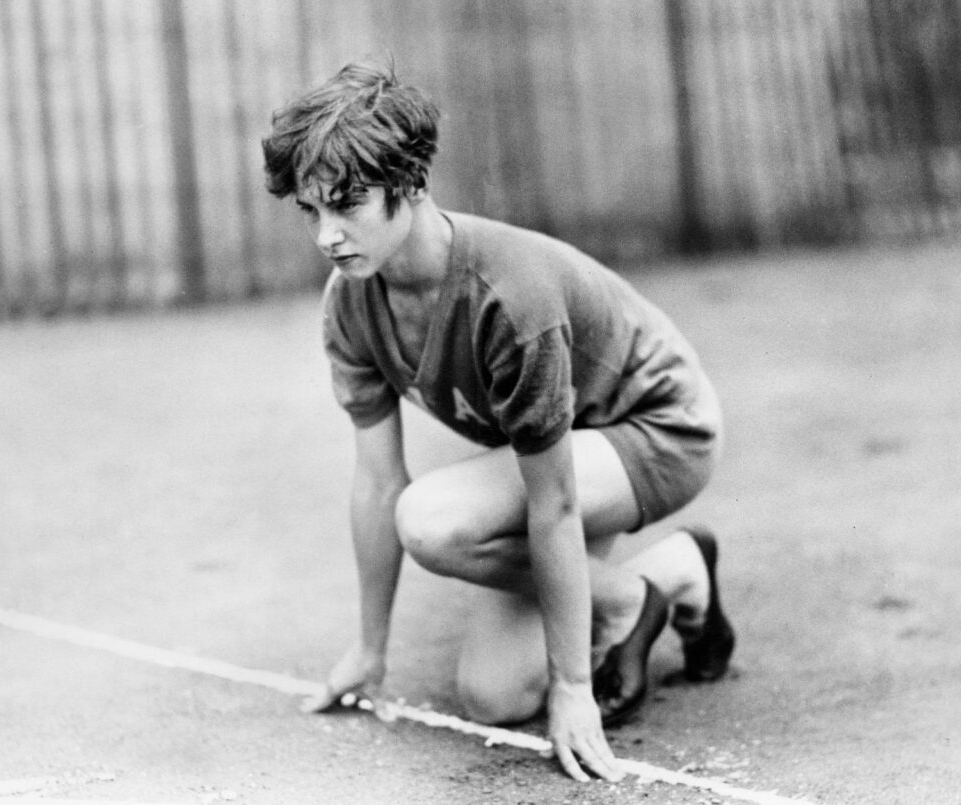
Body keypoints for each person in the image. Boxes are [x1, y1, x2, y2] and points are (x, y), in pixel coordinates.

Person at [261, 61, 735, 783]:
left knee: (434, 520)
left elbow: (556, 500)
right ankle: (667, 578)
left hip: (659, 428)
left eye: (348, 204)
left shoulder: (508, 296)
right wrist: (370, 646)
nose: (327, 234)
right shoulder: (351, 303)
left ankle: (626, 607)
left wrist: (574, 690)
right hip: (574, 446)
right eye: (311, 211)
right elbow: (376, 481)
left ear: (412, 183)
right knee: (494, 693)